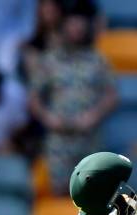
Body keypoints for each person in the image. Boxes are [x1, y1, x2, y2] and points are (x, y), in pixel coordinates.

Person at [29, 6, 117, 194]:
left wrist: (93, 116)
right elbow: (33, 98)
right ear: (63, 27)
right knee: (60, 190)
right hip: (59, 139)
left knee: (90, 191)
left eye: (80, 26)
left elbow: (111, 96)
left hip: (89, 136)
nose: (76, 30)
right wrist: (48, 118)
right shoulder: (49, 60)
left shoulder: (97, 60)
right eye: (72, 25)